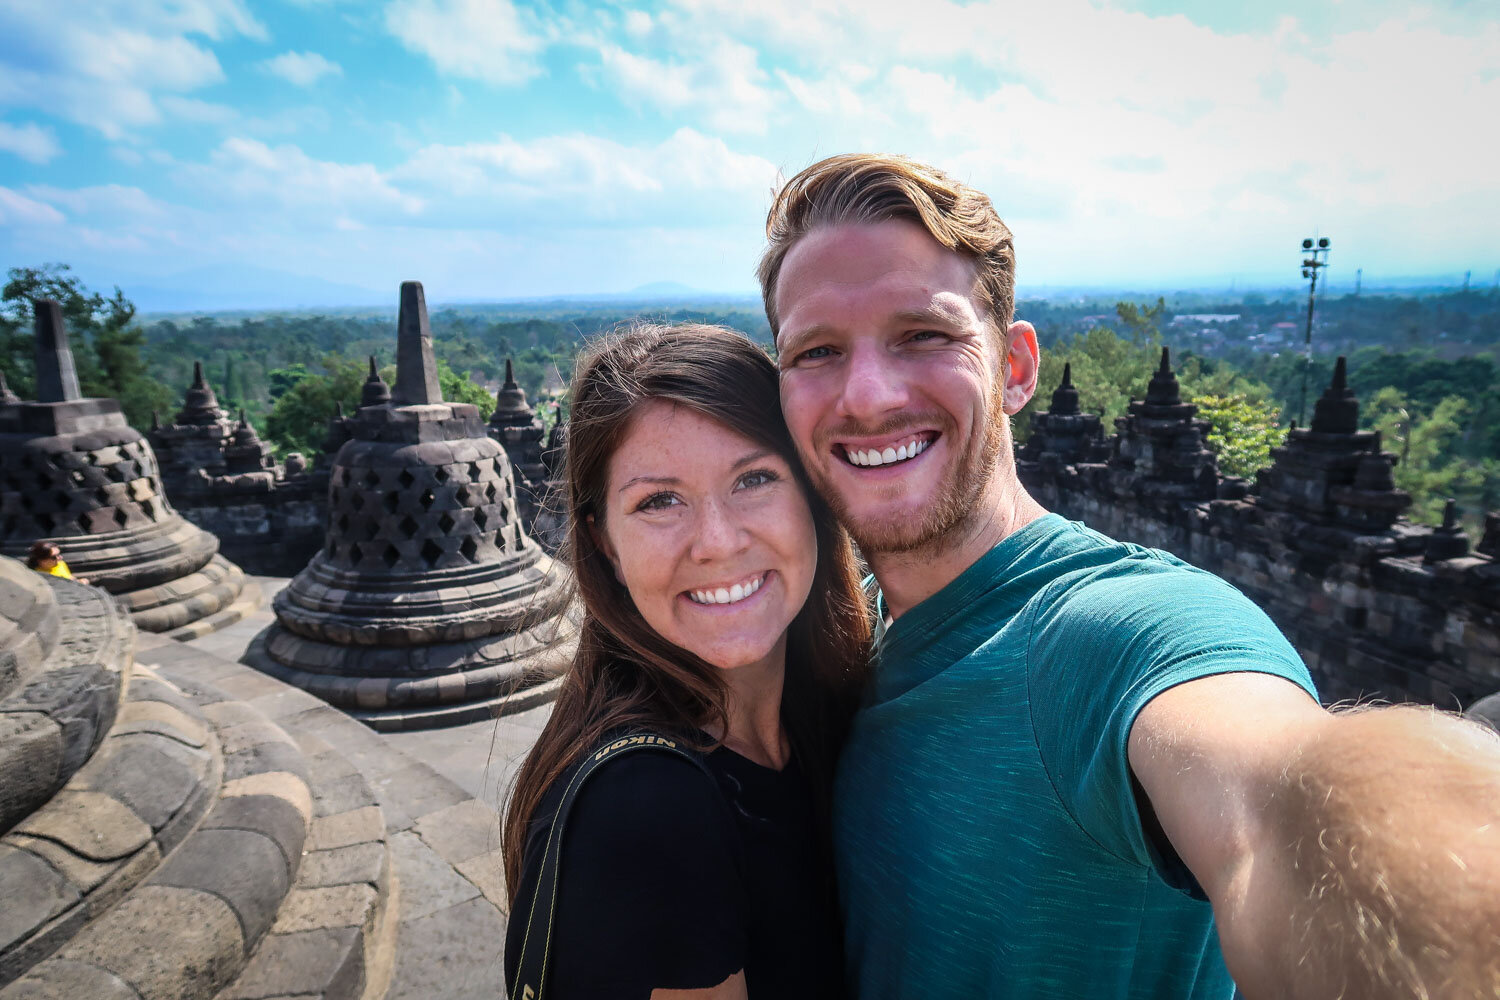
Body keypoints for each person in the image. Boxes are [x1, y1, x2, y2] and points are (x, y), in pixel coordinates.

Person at [759, 153, 1500, 1000]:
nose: (867, 395)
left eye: (923, 335)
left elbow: (1284, 808)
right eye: (815, 351)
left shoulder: (1108, 636)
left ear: (1014, 367)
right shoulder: (854, 634)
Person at [502, 324, 871, 999]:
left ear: (813, 500)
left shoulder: (827, 713)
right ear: (603, 542)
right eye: (659, 501)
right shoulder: (650, 809)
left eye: (755, 478)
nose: (718, 542)